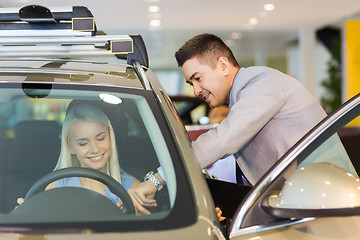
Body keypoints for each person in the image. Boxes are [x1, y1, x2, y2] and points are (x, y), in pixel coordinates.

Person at [131, 33, 357, 209]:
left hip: (328, 203)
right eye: (191, 84)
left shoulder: (262, 83)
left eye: (198, 79)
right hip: (303, 200)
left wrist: (158, 178)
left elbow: (225, 138)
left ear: (222, 65)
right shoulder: (245, 95)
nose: (197, 90)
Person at [27, 103, 155, 215]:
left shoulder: (133, 188)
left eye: (100, 138)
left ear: (111, 137)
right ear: (70, 147)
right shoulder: (55, 188)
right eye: (83, 143)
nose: (94, 149)